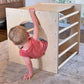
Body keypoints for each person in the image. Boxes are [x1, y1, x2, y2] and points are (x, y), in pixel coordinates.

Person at [9, 8, 48, 80]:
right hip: (43, 48)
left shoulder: (22, 52)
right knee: (42, 38)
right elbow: (36, 26)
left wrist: (30, 73)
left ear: (14, 44)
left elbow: (28, 63)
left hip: (36, 55)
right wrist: (32, 14)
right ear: (27, 34)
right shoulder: (34, 39)